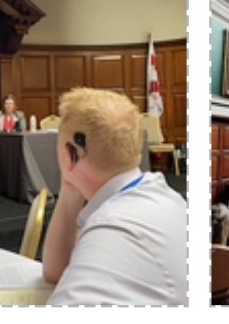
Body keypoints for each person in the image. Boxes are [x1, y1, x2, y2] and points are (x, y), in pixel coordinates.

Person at [42, 88, 186, 304]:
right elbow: (55, 273)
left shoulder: (113, 228)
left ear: (68, 154)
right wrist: (70, 188)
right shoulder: (163, 195)